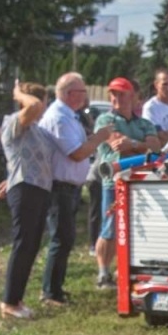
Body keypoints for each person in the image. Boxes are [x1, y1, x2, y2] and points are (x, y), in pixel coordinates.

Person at [40, 72, 116, 305]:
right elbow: (77, 153)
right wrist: (101, 137)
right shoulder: (58, 118)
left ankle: (56, 288)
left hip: (69, 187)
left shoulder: (69, 116)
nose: (85, 96)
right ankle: (50, 292)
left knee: (66, 238)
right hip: (58, 187)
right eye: (82, 92)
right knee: (61, 239)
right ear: (70, 94)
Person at [93, 77, 162, 287]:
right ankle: (103, 273)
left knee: (139, 227)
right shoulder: (105, 120)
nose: (116, 98)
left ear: (133, 97)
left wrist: (132, 143)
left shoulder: (144, 123)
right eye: (113, 94)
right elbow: (116, 143)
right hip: (114, 182)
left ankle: (128, 270)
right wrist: (141, 146)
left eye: (122, 94)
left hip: (141, 182)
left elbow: (156, 146)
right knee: (111, 228)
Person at [0, 81, 56, 320]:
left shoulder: (37, 129)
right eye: (42, 100)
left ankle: (17, 298)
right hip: (25, 188)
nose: (44, 106)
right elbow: (31, 107)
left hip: (40, 188)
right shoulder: (14, 122)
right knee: (23, 244)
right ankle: (9, 301)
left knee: (32, 245)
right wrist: (19, 94)